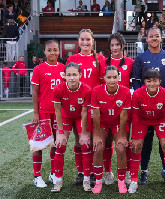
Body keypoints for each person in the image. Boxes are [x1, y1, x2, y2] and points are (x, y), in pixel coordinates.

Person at [132, 27, 165, 185]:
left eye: (157, 36)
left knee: (164, 140)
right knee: (145, 141)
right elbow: (136, 82)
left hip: (164, 106)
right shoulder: (140, 58)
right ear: (146, 39)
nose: (154, 38)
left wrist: (161, 97)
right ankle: (144, 171)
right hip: (145, 108)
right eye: (151, 36)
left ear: (162, 38)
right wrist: (148, 98)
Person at [67, 29, 105, 186]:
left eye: (88, 39)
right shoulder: (73, 59)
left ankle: (94, 173)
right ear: (78, 41)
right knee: (79, 140)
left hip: (94, 107)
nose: (85, 42)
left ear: (93, 41)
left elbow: (104, 83)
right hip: (77, 107)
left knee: (93, 141)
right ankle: (81, 173)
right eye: (82, 39)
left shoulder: (100, 59)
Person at [128, 69, 165, 193]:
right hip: (142, 120)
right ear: (144, 82)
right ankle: (133, 181)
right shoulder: (138, 94)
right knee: (136, 146)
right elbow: (136, 116)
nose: (152, 84)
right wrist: (135, 137)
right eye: (149, 81)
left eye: (155, 81)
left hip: (160, 119)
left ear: (160, 81)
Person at [51, 62, 92, 192]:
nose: (72, 78)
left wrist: (84, 132)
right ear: (64, 76)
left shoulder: (87, 89)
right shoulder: (58, 89)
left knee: (85, 144)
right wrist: (61, 132)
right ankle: (57, 181)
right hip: (66, 117)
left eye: (74, 74)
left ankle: (86, 179)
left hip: (80, 117)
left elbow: (85, 112)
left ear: (80, 75)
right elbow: (57, 111)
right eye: (69, 75)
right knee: (60, 144)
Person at [99, 33, 134, 186]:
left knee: (124, 141)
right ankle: (108, 172)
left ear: (123, 45)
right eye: (112, 45)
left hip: (124, 108)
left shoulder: (131, 62)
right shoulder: (102, 63)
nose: (114, 48)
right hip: (106, 108)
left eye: (117, 45)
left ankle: (126, 171)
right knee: (106, 142)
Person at [91, 66, 131, 194]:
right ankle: (98, 181)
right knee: (98, 147)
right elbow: (96, 114)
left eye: (115, 77)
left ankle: (121, 181)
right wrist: (97, 134)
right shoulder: (97, 90)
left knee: (120, 146)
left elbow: (124, 116)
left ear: (119, 78)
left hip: (118, 123)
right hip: (102, 123)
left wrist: (121, 135)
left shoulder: (125, 91)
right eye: (109, 77)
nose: (112, 80)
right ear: (104, 78)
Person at [31, 40, 65, 188]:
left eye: (55, 50)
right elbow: (35, 93)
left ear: (59, 51)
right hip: (44, 112)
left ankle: (52, 173)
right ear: (44, 52)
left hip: (59, 113)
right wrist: (36, 113)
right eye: (49, 50)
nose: (52, 53)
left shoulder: (64, 69)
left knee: (55, 144)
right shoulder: (39, 69)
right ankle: (37, 175)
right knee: (38, 145)